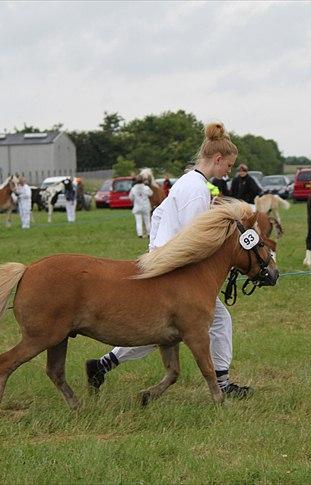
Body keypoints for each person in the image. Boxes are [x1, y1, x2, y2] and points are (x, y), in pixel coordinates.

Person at [85, 121, 252, 398]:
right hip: (174, 267)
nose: (228, 171)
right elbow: (195, 239)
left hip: (164, 259)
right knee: (216, 320)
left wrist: (156, 249)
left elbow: (160, 215)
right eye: (229, 165)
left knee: (156, 329)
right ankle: (223, 385)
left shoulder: (189, 182)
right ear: (218, 159)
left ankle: (103, 364)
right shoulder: (197, 189)